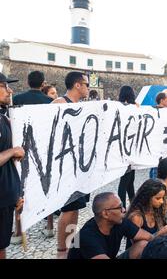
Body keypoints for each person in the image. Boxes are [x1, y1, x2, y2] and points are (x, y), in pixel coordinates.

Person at [12, 71, 55, 239]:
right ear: (43, 83)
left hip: (21, 148)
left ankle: (18, 231)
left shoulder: (17, 99)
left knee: (20, 188)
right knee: (47, 186)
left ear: (28, 82)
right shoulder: (50, 102)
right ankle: (50, 226)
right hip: (43, 148)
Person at [52, 71, 90, 258]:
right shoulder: (59, 103)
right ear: (77, 85)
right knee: (67, 209)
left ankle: (71, 245)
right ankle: (61, 250)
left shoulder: (81, 106)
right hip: (64, 166)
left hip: (79, 165)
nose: (88, 88)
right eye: (86, 84)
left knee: (75, 208)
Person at [67, 192, 152, 259]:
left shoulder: (119, 221)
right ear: (105, 214)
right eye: (120, 207)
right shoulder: (86, 236)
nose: (124, 210)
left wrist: (163, 235)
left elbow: (149, 238)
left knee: (143, 245)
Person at [0, 73, 25, 259]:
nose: (10, 90)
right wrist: (12, 151)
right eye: (4, 86)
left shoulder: (4, 118)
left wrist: (15, 193)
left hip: (6, 198)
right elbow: (10, 154)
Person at [117, 86, 138, 208]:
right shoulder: (135, 107)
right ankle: (123, 208)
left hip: (123, 147)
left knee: (130, 179)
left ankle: (132, 204)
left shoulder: (118, 107)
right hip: (130, 147)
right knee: (125, 180)